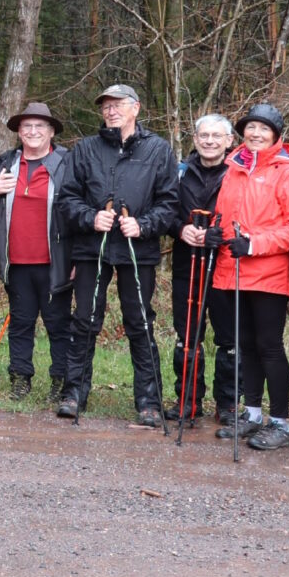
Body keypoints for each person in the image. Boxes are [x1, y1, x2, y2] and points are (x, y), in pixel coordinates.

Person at [53, 84, 178, 425]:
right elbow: (66, 199)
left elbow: (170, 203)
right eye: (106, 106)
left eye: (118, 105)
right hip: (93, 248)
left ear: (135, 108)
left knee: (139, 323)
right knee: (85, 320)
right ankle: (74, 393)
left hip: (139, 250)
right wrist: (91, 217)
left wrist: (145, 224)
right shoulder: (85, 149)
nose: (110, 111)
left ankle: (149, 401)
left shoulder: (158, 150)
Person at [208, 104, 289, 450]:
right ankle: (251, 414)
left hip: (268, 272)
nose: (255, 134)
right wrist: (214, 234)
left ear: (276, 135)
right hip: (231, 270)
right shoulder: (233, 169)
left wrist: (252, 244)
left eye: (264, 129)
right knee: (245, 347)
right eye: (250, 128)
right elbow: (224, 217)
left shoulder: (288, 172)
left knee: (269, 348)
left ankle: (279, 422)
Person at [0, 102, 72, 403]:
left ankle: (61, 380)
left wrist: (77, 258)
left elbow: (79, 210)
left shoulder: (67, 163)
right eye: (26, 126)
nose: (32, 131)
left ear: (51, 131)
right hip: (15, 261)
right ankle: (20, 378)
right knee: (21, 322)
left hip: (55, 261)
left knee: (58, 324)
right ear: (18, 132)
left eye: (40, 126)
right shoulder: (5, 162)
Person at [167, 114, 235, 424]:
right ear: (195, 140)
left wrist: (222, 235)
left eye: (216, 136)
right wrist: (180, 229)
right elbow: (163, 209)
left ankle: (229, 404)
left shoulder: (239, 173)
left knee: (229, 336)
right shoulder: (178, 173)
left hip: (225, 265)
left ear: (229, 141)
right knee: (187, 334)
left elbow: (248, 216)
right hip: (187, 262)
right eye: (203, 135)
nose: (209, 141)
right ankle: (188, 401)